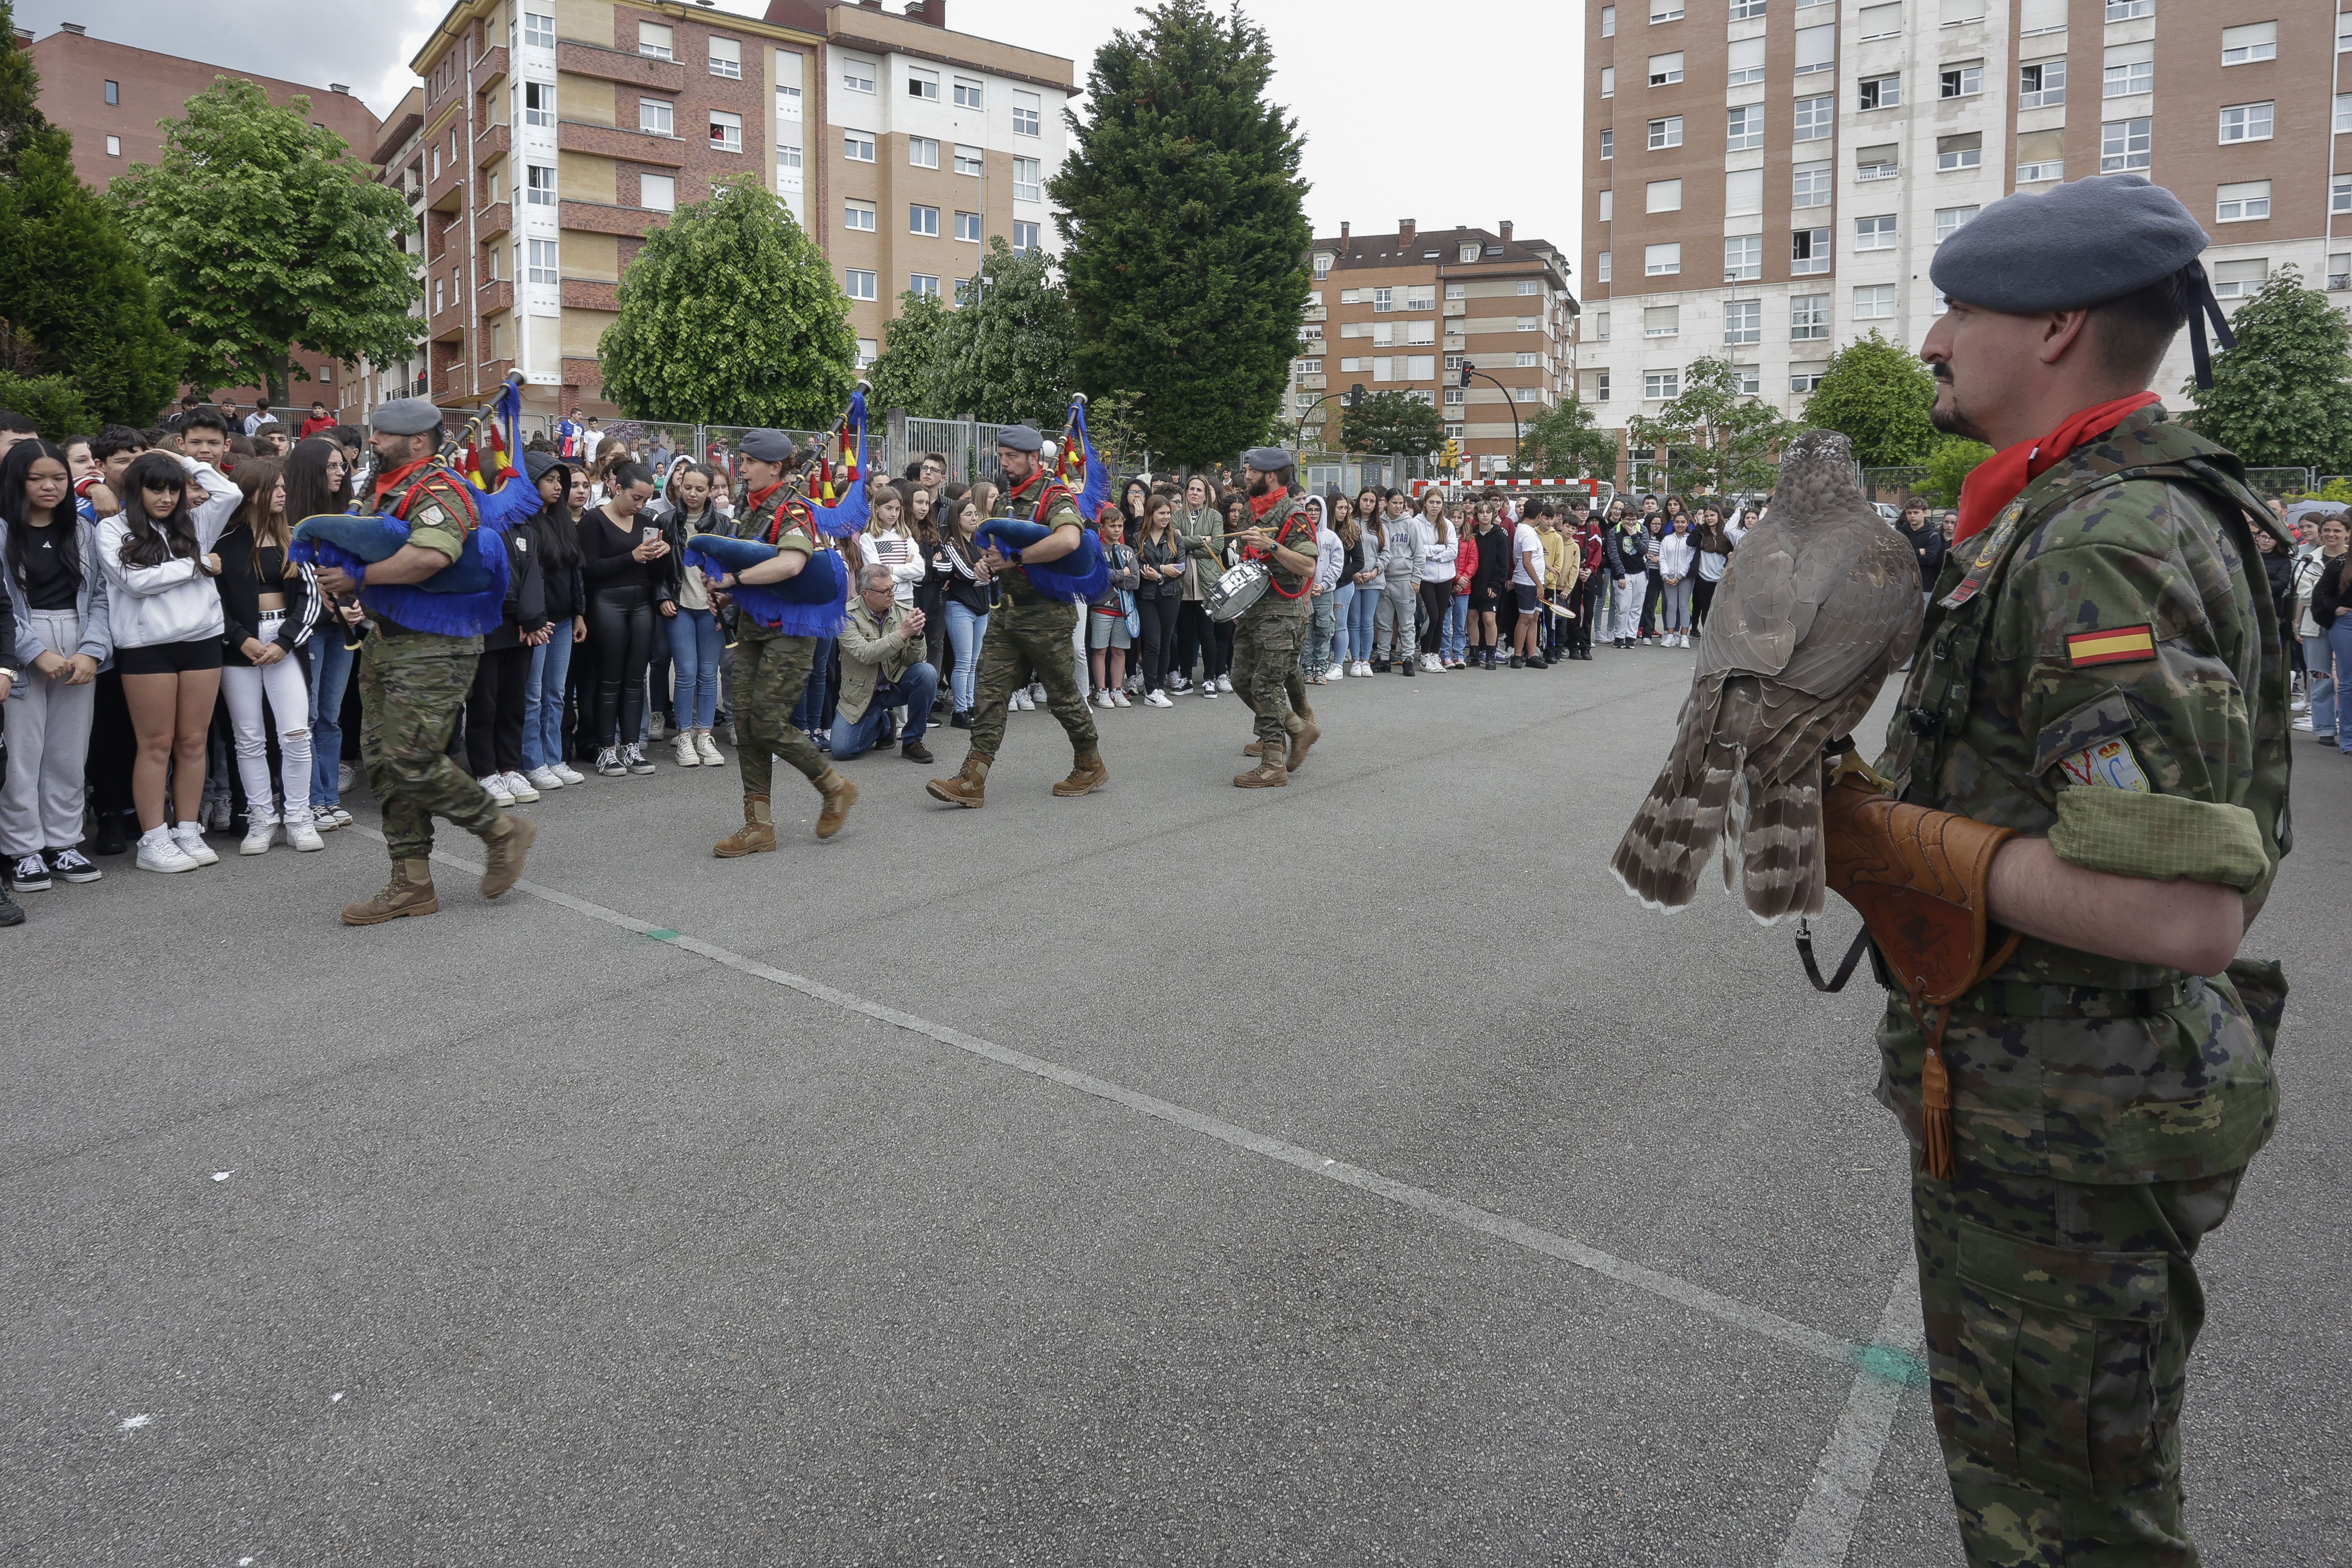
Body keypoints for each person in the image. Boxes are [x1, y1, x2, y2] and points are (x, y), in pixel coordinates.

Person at [1839, 173, 2292, 1564]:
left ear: (2053, 329)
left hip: (2071, 1132)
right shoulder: (2078, 513)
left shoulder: (2106, 541)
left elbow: (2182, 910)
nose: (1931, 341)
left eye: (1957, 307)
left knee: (2069, 1526)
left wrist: (1889, 840)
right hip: (2056, 1109)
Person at [311, 398, 537, 923]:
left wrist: (360, 580)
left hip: (435, 644)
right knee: (386, 764)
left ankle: (502, 830)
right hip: (386, 638)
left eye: (383, 434)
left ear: (417, 441)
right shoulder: (383, 490)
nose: (375, 441)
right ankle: (411, 883)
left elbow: (432, 557)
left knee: (412, 757)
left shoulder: (441, 488)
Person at [926, 425, 1106, 808]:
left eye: (1012, 458)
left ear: (1033, 459)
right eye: (1002, 456)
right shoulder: (1008, 498)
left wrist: (1016, 559)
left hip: (1048, 618)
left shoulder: (1056, 496)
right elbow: (1002, 546)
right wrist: (993, 564)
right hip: (1007, 616)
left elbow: (1070, 540)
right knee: (989, 694)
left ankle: (1090, 762)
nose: (1004, 464)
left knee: (1062, 697)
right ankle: (972, 778)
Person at [704, 429, 857, 853]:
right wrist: (726, 587)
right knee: (746, 725)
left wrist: (734, 579)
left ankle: (834, 786)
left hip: (791, 632)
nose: (743, 468)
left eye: (751, 462)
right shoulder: (750, 510)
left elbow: (791, 565)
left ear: (775, 467)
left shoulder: (792, 510)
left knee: (768, 723)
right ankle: (759, 826)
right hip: (754, 627)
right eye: (743, 460)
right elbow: (753, 563)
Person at [94, 447, 241, 872]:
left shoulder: (194, 522)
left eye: (172, 490)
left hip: (202, 641)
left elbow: (228, 493)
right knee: (155, 745)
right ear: (134, 490)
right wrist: (198, 565)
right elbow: (136, 584)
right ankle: (153, 839)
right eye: (155, 489)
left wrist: (183, 460)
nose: (166, 498)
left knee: (193, 743)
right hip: (145, 648)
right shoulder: (111, 530)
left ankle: (188, 829)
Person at [1, 440, 111, 892]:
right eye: (37, 478)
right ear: (17, 482)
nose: (50, 487)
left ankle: (64, 841)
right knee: (23, 755)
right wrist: (33, 652)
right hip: (22, 648)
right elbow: (2, 604)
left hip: (78, 642)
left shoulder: (81, 531)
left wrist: (93, 649)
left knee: (68, 751)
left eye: (59, 478)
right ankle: (24, 849)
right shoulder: (5, 531)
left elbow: (102, 596)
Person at [214, 455, 325, 853]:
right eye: (274, 487)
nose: (283, 493)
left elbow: (313, 599)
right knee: (248, 739)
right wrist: (240, 637)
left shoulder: (295, 540)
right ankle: (261, 819)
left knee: (296, 734)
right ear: (250, 494)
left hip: (285, 645)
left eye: (284, 486)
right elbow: (213, 602)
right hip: (239, 648)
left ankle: (299, 816)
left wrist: (285, 642)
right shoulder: (222, 545)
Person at [1218, 447, 1320, 787]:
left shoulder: (1295, 516)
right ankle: (1297, 727)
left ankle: (1273, 764)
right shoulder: (1251, 509)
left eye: (1251, 471)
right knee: (1241, 679)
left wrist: (1272, 546)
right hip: (1255, 609)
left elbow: (1308, 566)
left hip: (1283, 613)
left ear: (1271, 476)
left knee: (1267, 683)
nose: (1245, 476)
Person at [283, 437, 362, 831]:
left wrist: (359, 598)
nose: (339, 472)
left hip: (342, 628)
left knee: (331, 717)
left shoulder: (347, 517)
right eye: (331, 466)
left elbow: (357, 570)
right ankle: (310, 800)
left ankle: (329, 798)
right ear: (311, 471)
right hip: (307, 631)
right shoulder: (289, 523)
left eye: (342, 466)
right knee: (309, 715)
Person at [578, 461, 673, 777]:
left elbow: (656, 573)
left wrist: (662, 553)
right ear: (617, 488)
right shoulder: (593, 521)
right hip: (607, 601)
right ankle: (607, 749)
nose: (641, 505)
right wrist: (630, 557)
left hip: (642, 601)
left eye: (646, 500)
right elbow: (588, 570)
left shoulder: (646, 521)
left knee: (636, 678)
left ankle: (631, 747)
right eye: (636, 498)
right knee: (610, 678)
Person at [520, 453, 588, 793]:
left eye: (560, 480)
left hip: (563, 620)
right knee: (532, 696)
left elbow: (575, 572)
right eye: (550, 480)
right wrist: (531, 618)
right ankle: (533, 761)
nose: (558, 486)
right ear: (532, 483)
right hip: (538, 623)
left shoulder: (564, 522)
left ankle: (554, 757)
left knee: (557, 694)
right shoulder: (524, 523)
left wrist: (579, 614)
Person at [657, 464, 727, 768]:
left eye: (701, 489)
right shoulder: (666, 520)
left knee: (709, 674)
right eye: (688, 488)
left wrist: (726, 603)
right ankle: (684, 736)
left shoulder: (724, 523)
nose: (693, 494)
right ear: (678, 487)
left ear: (711, 490)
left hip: (712, 608)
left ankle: (704, 735)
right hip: (680, 605)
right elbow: (656, 567)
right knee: (686, 673)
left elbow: (732, 566)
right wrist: (662, 596)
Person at [832, 563, 938, 762]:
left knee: (927, 673)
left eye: (893, 587)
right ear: (866, 594)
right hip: (861, 693)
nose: (892, 594)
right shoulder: (845, 616)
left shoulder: (903, 612)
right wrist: (903, 634)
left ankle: (912, 741)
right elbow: (865, 654)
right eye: (885, 590)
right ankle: (884, 724)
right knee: (842, 751)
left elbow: (914, 661)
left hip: (894, 685)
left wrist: (917, 636)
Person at [2291, 513, 2348, 742]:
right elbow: (2303, 594)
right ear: (2321, 533)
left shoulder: (2350, 560)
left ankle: (2347, 728)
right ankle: (2324, 728)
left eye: (2337, 531)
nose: (2331, 535)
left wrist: (2322, 592)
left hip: (2347, 625)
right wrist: (2336, 604)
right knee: (2320, 676)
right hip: (2315, 627)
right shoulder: (2308, 560)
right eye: (2327, 530)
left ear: (2348, 533)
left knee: (2347, 680)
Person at [1169, 474, 1218, 693]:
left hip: (1206, 582)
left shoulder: (1215, 517)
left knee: (1208, 633)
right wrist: (1202, 539)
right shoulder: (1177, 516)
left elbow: (1217, 547)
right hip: (1183, 584)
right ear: (1186, 492)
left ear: (1206, 495)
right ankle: (1186, 677)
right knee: (1186, 634)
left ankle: (1210, 678)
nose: (1195, 493)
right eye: (1191, 489)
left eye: (1199, 490)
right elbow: (1175, 544)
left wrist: (1190, 542)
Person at [1133, 493, 1183, 706]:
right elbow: (1139, 569)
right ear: (1150, 514)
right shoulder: (1138, 538)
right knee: (1152, 642)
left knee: (1166, 643)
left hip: (1171, 595)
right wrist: (1163, 570)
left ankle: (1159, 687)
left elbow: (1181, 568)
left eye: (1168, 514)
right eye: (1161, 513)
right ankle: (1150, 689)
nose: (1166, 517)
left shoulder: (1175, 538)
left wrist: (1159, 575)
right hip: (1146, 596)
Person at [1087, 509, 1139, 707]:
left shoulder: (1128, 551)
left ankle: (1117, 689)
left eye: (1120, 526)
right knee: (1100, 650)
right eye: (1112, 526)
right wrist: (1122, 573)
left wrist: (1116, 576)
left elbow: (1134, 580)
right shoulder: (1097, 550)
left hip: (1124, 609)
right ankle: (1101, 690)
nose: (1117, 530)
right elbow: (1100, 578)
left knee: (1120, 651)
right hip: (1101, 607)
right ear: (1103, 527)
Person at [1413, 490, 1458, 673]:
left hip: (1446, 577)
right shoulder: (1416, 523)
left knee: (1441, 618)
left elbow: (1453, 551)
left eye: (1438, 503)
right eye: (1431, 502)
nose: (1435, 506)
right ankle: (1424, 655)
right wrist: (1439, 550)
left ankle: (1435, 655)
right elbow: (1418, 550)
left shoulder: (1447, 525)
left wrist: (1435, 555)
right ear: (1425, 503)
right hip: (1425, 577)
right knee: (1431, 616)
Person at [1302, 494, 1343, 686]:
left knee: (1325, 630)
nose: (1313, 513)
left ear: (1323, 512)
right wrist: (1307, 588)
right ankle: (1307, 667)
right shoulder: (1300, 534)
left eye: (1317, 510)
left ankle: (1321, 667)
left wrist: (1324, 584)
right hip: (1305, 594)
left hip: (1325, 594)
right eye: (1309, 510)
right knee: (1307, 631)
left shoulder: (1331, 537)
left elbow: (1336, 564)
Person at [1507, 502, 1551, 667]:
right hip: (1527, 582)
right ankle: (1517, 655)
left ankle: (1532, 655)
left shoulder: (1529, 531)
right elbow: (1526, 562)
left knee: (1534, 618)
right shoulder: (1526, 532)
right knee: (1525, 618)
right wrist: (1539, 584)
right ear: (1539, 516)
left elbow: (1536, 557)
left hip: (1535, 581)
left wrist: (1549, 567)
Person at [1605, 501, 1648, 650]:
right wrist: (1621, 574)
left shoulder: (1642, 530)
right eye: (1628, 519)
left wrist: (1634, 536)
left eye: (1634, 519)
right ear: (1622, 519)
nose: (1631, 522)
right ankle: (1619, 636)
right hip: (1623, 574)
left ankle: (1631, 636)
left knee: (1636, 607)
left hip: (1640, 573)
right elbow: (1613, 554)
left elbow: (1644, 550)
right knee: (1623, 607)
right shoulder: (1614, 532)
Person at [1652, 510, 1694, 650]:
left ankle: (1684, 637)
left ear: (1687, 523)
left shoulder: (1690, 539)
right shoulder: (1667, 539)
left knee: (1683, 606)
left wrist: (1680, 576)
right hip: (1668, 578)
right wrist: (1665, 575)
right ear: (1673, 524)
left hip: (1685, 578)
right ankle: (1670, 635)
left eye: (1683, 522)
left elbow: (1690, 560)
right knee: (1671, 606)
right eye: (1677, 522)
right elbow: (1662, 558)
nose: (1680, 525)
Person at [1691, 504, 1734, 636]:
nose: (1709, 518)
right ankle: (1707, 635)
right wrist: (1699, 526)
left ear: (1718, 516)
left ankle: (1719, 635)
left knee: (1720, 608)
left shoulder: (1726, 532)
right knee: (1706, 609)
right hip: (1703, 577)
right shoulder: (1702, 532)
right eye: (1707, 516)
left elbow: (1735, 547)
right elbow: (1690, 542)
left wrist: (1732, 554)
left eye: (1712, 515)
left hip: (1721, 577)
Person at [1901, 499, 1946, 603]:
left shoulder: (1933, 536)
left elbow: (1930, 559)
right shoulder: (1901, 534)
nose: (1912, 516)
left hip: (1926, 586)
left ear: (1925, 513)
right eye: (1909, 513)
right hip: (1903, 585)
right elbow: (1897, 556)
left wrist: (1907, 556)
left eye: (1916, 513)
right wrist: (1919, 552)